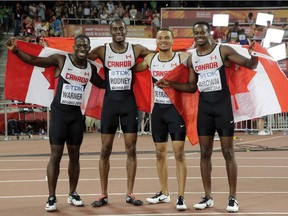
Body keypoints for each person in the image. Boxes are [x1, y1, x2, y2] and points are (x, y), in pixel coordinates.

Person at [156, 21, 258, 213]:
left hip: (222, 108)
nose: (199, 35)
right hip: (204, 111)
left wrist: (253, 55)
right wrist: (170, 84)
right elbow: (191, 86)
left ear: (209, 33)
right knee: (205, 154)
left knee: (228, 152)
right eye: (196, 33)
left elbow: (248, 64)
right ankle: (208, 196)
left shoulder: (222, 51)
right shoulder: (193, 58)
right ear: (194, 36)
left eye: (202, 32)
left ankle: (232, 198)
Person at [5, 34, 105, 212]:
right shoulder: (61, 60)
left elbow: (103, 84)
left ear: (89, 49)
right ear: (73, 47)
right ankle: (51, 197)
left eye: (85, 46)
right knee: (56, 156)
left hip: (75, 117)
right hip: (59, 115)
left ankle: (72, 193)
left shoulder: (90, 68)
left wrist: (124, 76)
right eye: (79, 46)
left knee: (75, 157)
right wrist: (17, 51)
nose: (82, 49)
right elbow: (35, 60)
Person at [87, 18, 154, 207]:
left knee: (131, 149)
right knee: (105, 150)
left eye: (121, 29)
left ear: (126, 30)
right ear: (110, 31)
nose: (118, 31)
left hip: (128, 105)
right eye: (115, 29)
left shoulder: (136, 49)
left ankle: (130, 193)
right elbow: (80, 57)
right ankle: (103, 194)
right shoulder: (102, 50)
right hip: (109, 105)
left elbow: (159, 55)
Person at [134, 28, 190, 211]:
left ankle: (180, 197)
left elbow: (200, 66)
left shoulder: (182, 58)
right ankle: (164, 192)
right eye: (160, 38)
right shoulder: (151, 59)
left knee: (179, 154)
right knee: (160, 153)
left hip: (176, 111)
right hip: (158, 111)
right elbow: (131, 68)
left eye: (167, 38)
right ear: (156, 42)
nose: (164, 41)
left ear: (173, 41)